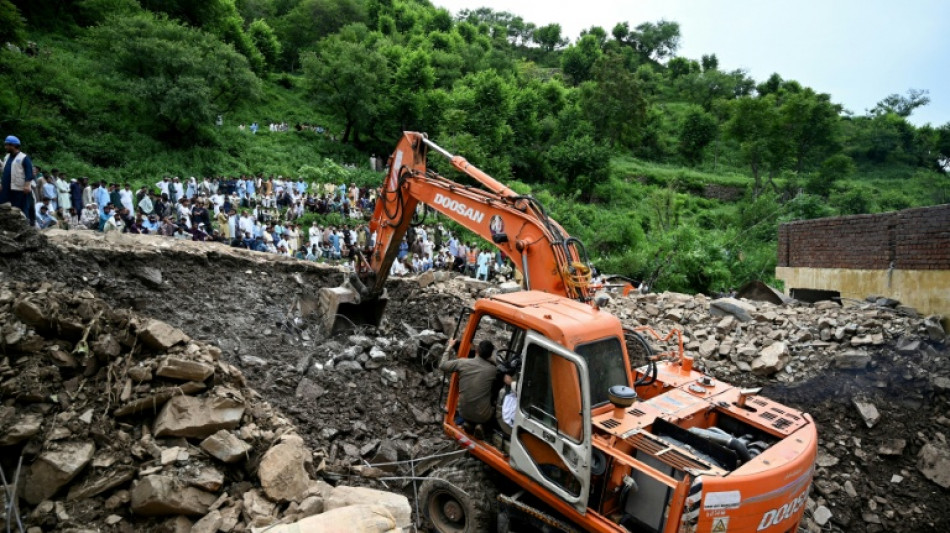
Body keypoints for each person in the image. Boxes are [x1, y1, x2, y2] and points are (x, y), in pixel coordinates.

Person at [439, 340, 498, 437]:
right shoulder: (493, 370)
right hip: (483, 416)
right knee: (495, 400)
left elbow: (442, 365)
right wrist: (492, 361)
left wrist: (449, 346)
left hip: (463, 412)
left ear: (477, 351)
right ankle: (481, 426)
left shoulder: (462, 362)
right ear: (490, 355)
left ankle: (469, 424)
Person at [1, 136, 35, 222]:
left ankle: (25, 227)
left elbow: (29, 173)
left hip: (19, 189)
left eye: (7, 145)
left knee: (20, 209)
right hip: (6, 188)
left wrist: (27, 185)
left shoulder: (24, 157)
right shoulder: (7, 157)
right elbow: (6, 170)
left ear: (13, 145)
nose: (5, 147)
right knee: (4, 208)